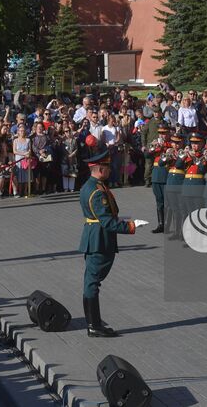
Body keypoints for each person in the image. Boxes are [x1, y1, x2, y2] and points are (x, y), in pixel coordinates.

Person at [78, 141, 144, 338]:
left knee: (90, 281)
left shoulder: (91, 186)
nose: (110, 170)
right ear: (100, 169)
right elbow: (107, 222)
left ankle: (94, 324)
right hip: (99, 240)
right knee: (92, 282)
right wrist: (131, 226)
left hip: (93, 235)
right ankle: (94, 326)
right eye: (107, 167)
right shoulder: (97, 192)